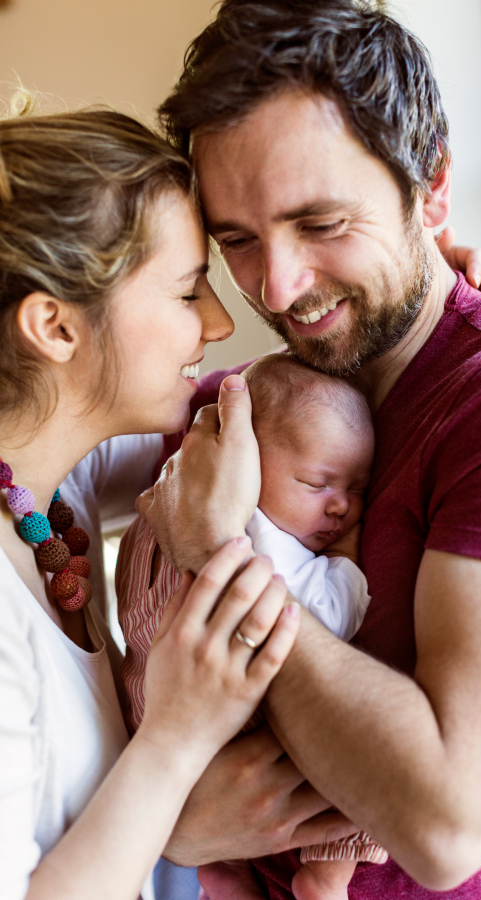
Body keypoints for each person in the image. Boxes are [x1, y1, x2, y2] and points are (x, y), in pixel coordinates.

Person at [137, 1, 481, 898]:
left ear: (433, 189)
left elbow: (446, 821)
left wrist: (225, 553)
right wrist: (173, 825)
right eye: (238, 241)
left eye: (323, 223)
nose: (278, 285)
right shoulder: (263, 397)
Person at [0, 103, 301, 900]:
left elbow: (248, 409)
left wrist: (426, 308)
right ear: (56, 328)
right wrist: (178, 735)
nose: (219, 320)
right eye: (186, 290)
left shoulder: (57, 477)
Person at [117, 352, 380, 900]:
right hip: (229, 733)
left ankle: (223, 876)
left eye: (357, 489)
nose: (340, 508)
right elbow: (330, 617)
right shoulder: (267, 541)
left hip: (149, 710)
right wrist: (350, 557)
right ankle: (327, 876)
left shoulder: (172, 489)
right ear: (247, 462)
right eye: (317, 483)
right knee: (374, 757)